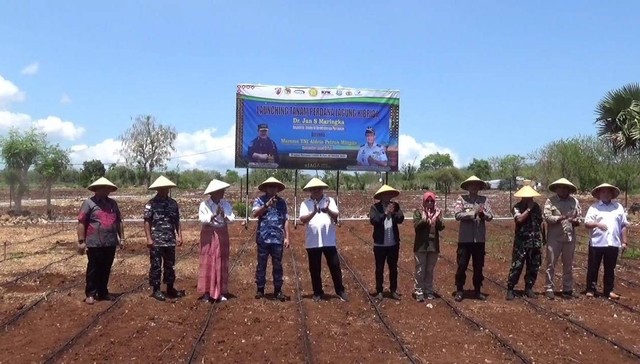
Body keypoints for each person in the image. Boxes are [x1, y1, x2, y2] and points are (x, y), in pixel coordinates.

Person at [299, 177, 348, 302]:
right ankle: (317, 292)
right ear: (310, 190)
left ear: (322, 190)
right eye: (314, 189)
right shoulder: (305, 203)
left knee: (335, 266)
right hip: (313, 241)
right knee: (315, 268)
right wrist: (314, 212)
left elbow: (336, 215)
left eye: (319, 188)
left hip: (329, 240)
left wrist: (327, 210)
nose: (316, 191)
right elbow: (303, 220)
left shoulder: (329, 200)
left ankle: (340, 290)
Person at [77, 177, 124, 305]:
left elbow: (118, 221)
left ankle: (103, 292)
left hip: (110, 241)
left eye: (108, 188)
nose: (106, 190)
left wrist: (122, 238)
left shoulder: (113, 204)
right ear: (96, 190)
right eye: (103, 188)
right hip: (94, 242)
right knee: (93, 268)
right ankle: (91, 293)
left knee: (106, 267)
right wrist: (81, 240)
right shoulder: (89, 203)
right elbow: (81, 222)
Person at [144, 175, 185, 301]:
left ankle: (170, 288)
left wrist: (179, 236)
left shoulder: (173, 204)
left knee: (170, 265)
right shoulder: (151, 204)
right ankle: (156, 289)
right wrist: (149, 238)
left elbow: (176, 221)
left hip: (170, 239)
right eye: (162, 188)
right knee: (156, 265)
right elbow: (147, 222)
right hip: (156, 240)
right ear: (158, 189)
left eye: (166, 188)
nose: (164, 190)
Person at [584, 183, 628, 300]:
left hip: (613, 242)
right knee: (593, 267)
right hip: (597, 242)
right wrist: (597, 224)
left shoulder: (618, 207)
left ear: (612, 194)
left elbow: (623, 225)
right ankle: (590, 289)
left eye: (608, 192)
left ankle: (608, 290)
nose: (606, 194)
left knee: (610, 268)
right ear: (599, 194)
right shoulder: (593, 208)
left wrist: (624, 242)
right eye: (603, 191)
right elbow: (587, 223)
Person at [453, 175, 494, 302]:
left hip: (479, 240)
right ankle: (460, 289)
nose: (474, 187)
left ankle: (477, 290)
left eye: (476, 185)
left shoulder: (484, 200)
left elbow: (491, 216)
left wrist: (483, 214)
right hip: (464, 239)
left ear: (479, 187)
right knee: (462, 265)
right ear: (467, 187)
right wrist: (472, 214)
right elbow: (457, 214)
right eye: (471, 185)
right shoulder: (461, 199)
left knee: (478, 266)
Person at [542, 178, 582, 300]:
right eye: (561, 187)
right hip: (554, 237)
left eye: (566, 188)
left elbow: (579, 218)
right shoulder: (550, 201)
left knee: (568, 264)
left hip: (569, 236)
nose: (563, 190)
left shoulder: (574, 201)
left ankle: (567, 289)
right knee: (551, 263)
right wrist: (561, 218)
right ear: (557, 189)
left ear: (569, 189)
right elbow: (547, 217)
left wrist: (574, 220)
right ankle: (549, 288)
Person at [252, 176, 290, 302]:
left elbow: (285, 220)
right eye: (270, 186)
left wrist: (287, 237)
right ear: (266, 188)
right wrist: (266, 205)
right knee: (261, 264)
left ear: (277, 189)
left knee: (277, 265)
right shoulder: (259, 200)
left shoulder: (282, 202)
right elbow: (255, 213)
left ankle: (278, 290)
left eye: (274, 187)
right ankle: (260, 289)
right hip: (263, 237)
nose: (272, 189)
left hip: (277, 239)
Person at [197, 179, 235, 302]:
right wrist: (213, 215)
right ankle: (207, 292)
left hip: (222, 232)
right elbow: (202, 219)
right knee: (208, 260)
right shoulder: (205, 205)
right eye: (220, 191)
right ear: (213, 192)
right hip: (209, 233)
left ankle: (221, 291)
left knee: (221, 260)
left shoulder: (226, 204)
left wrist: (224, 215)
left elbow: (231, 218)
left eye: (223, 191)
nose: (222, 193)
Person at [506, 185, 543, 300]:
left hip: (535, 241)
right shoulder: (516, 207)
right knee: (517, 265)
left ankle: (529, 288)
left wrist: (543, 237)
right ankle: (510, 288)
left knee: (533, 266)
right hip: (521, 242)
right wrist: (528, 209)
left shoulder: (537, 207)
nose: (530, 198)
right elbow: (519, 220)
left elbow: (540, 222)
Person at [369, 184, 404, 300]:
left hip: (393, 244)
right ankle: (379, 291)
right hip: (379, 244)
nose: (387, 196)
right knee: (379, 268)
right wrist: (385, 213)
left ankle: (393, 290)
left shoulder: (395, 206)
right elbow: (374, 221)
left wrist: (393, 212)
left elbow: (401, 219)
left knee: (393, 267)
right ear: (381, 196)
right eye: (385, 194)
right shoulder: (375, 208)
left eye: (389, 194)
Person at [413, 191, 444, 302]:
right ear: (424, 201)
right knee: (420, 269)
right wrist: (427, 220)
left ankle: (428, 290)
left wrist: (437, 219)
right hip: (421, 246)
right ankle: (419, 290)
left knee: (430, 269)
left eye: (432, 201)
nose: (430, 203)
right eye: (427, 201)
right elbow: (416, 226)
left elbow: (441, 227)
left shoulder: (438, 213)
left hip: (433, 246)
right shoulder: (418, 212)